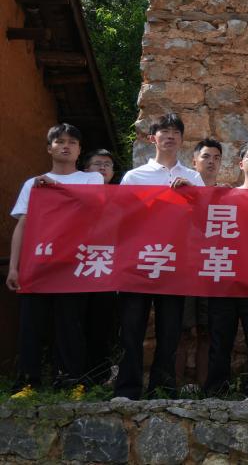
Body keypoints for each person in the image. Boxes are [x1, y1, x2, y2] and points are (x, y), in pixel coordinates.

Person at [7, 124, 104, 398]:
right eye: (59, 141)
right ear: (49, 148)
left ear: (80, 150)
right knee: (31, 323)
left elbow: (95, 208)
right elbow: (23, 225)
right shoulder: (33, 184)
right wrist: (14, 267)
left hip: (75, 265)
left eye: (72, 142)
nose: (66, 146)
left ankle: (72, 381)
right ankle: (28, 383)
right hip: (38, 263)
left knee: (71, 323)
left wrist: (56, 188)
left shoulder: (92, 179)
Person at [114, 113, 204, 400]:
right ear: (152, 138)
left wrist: (193, 195)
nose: (170, 136)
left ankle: (162, 388)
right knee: (131, 328)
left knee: (170, 330)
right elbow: (120, 218)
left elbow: (204, 221)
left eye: (176, 131)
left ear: (182, 139)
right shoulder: (134, 177)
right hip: (137, 262)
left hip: (175, 263)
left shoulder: (193, 178)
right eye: (164, 131)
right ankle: (127, 388)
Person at [205, 140, 248, 397]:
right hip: (225, 277)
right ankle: (216, 391)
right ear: (240, 163)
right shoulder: (225, 197)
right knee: (220, 339)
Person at [178, 138, 223, 393]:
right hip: (184, 270)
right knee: (182, 330)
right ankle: (172, 388)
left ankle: (206, 390)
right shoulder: (181, 192)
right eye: (206, 156)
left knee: (208, 330)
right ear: (194, 161)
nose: (211, 162)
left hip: (214, 269)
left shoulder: (228, 195)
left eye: (216, 157)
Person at [81, 148, 120, 388]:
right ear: (86, 169)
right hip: (76, 267)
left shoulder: (122, 197)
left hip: (106, 269)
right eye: (98, 164)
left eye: (108, 164)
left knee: (102, 323)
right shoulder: (73, 193)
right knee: (75, 322)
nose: (103, 168)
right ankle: (71, 375)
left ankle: (100, 375)